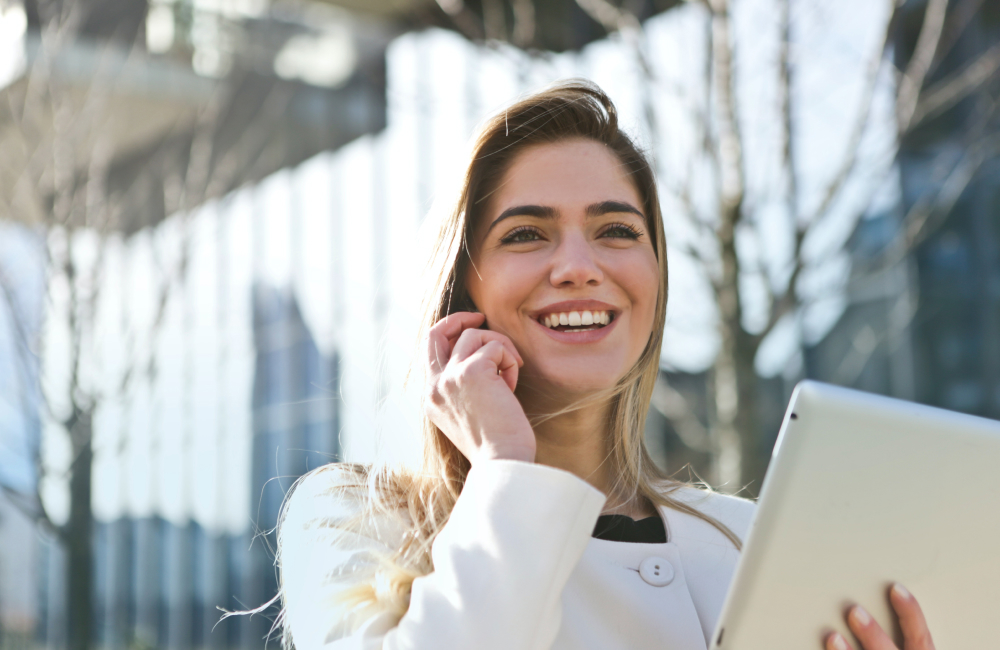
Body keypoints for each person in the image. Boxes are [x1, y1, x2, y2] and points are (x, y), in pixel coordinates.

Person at [275, 82, 936, 650]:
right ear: (463, 289)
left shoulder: (749, 542)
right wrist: (506, 466)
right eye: (526, 233)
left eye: (617, 230)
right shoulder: (350, 522)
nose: (578, 268)